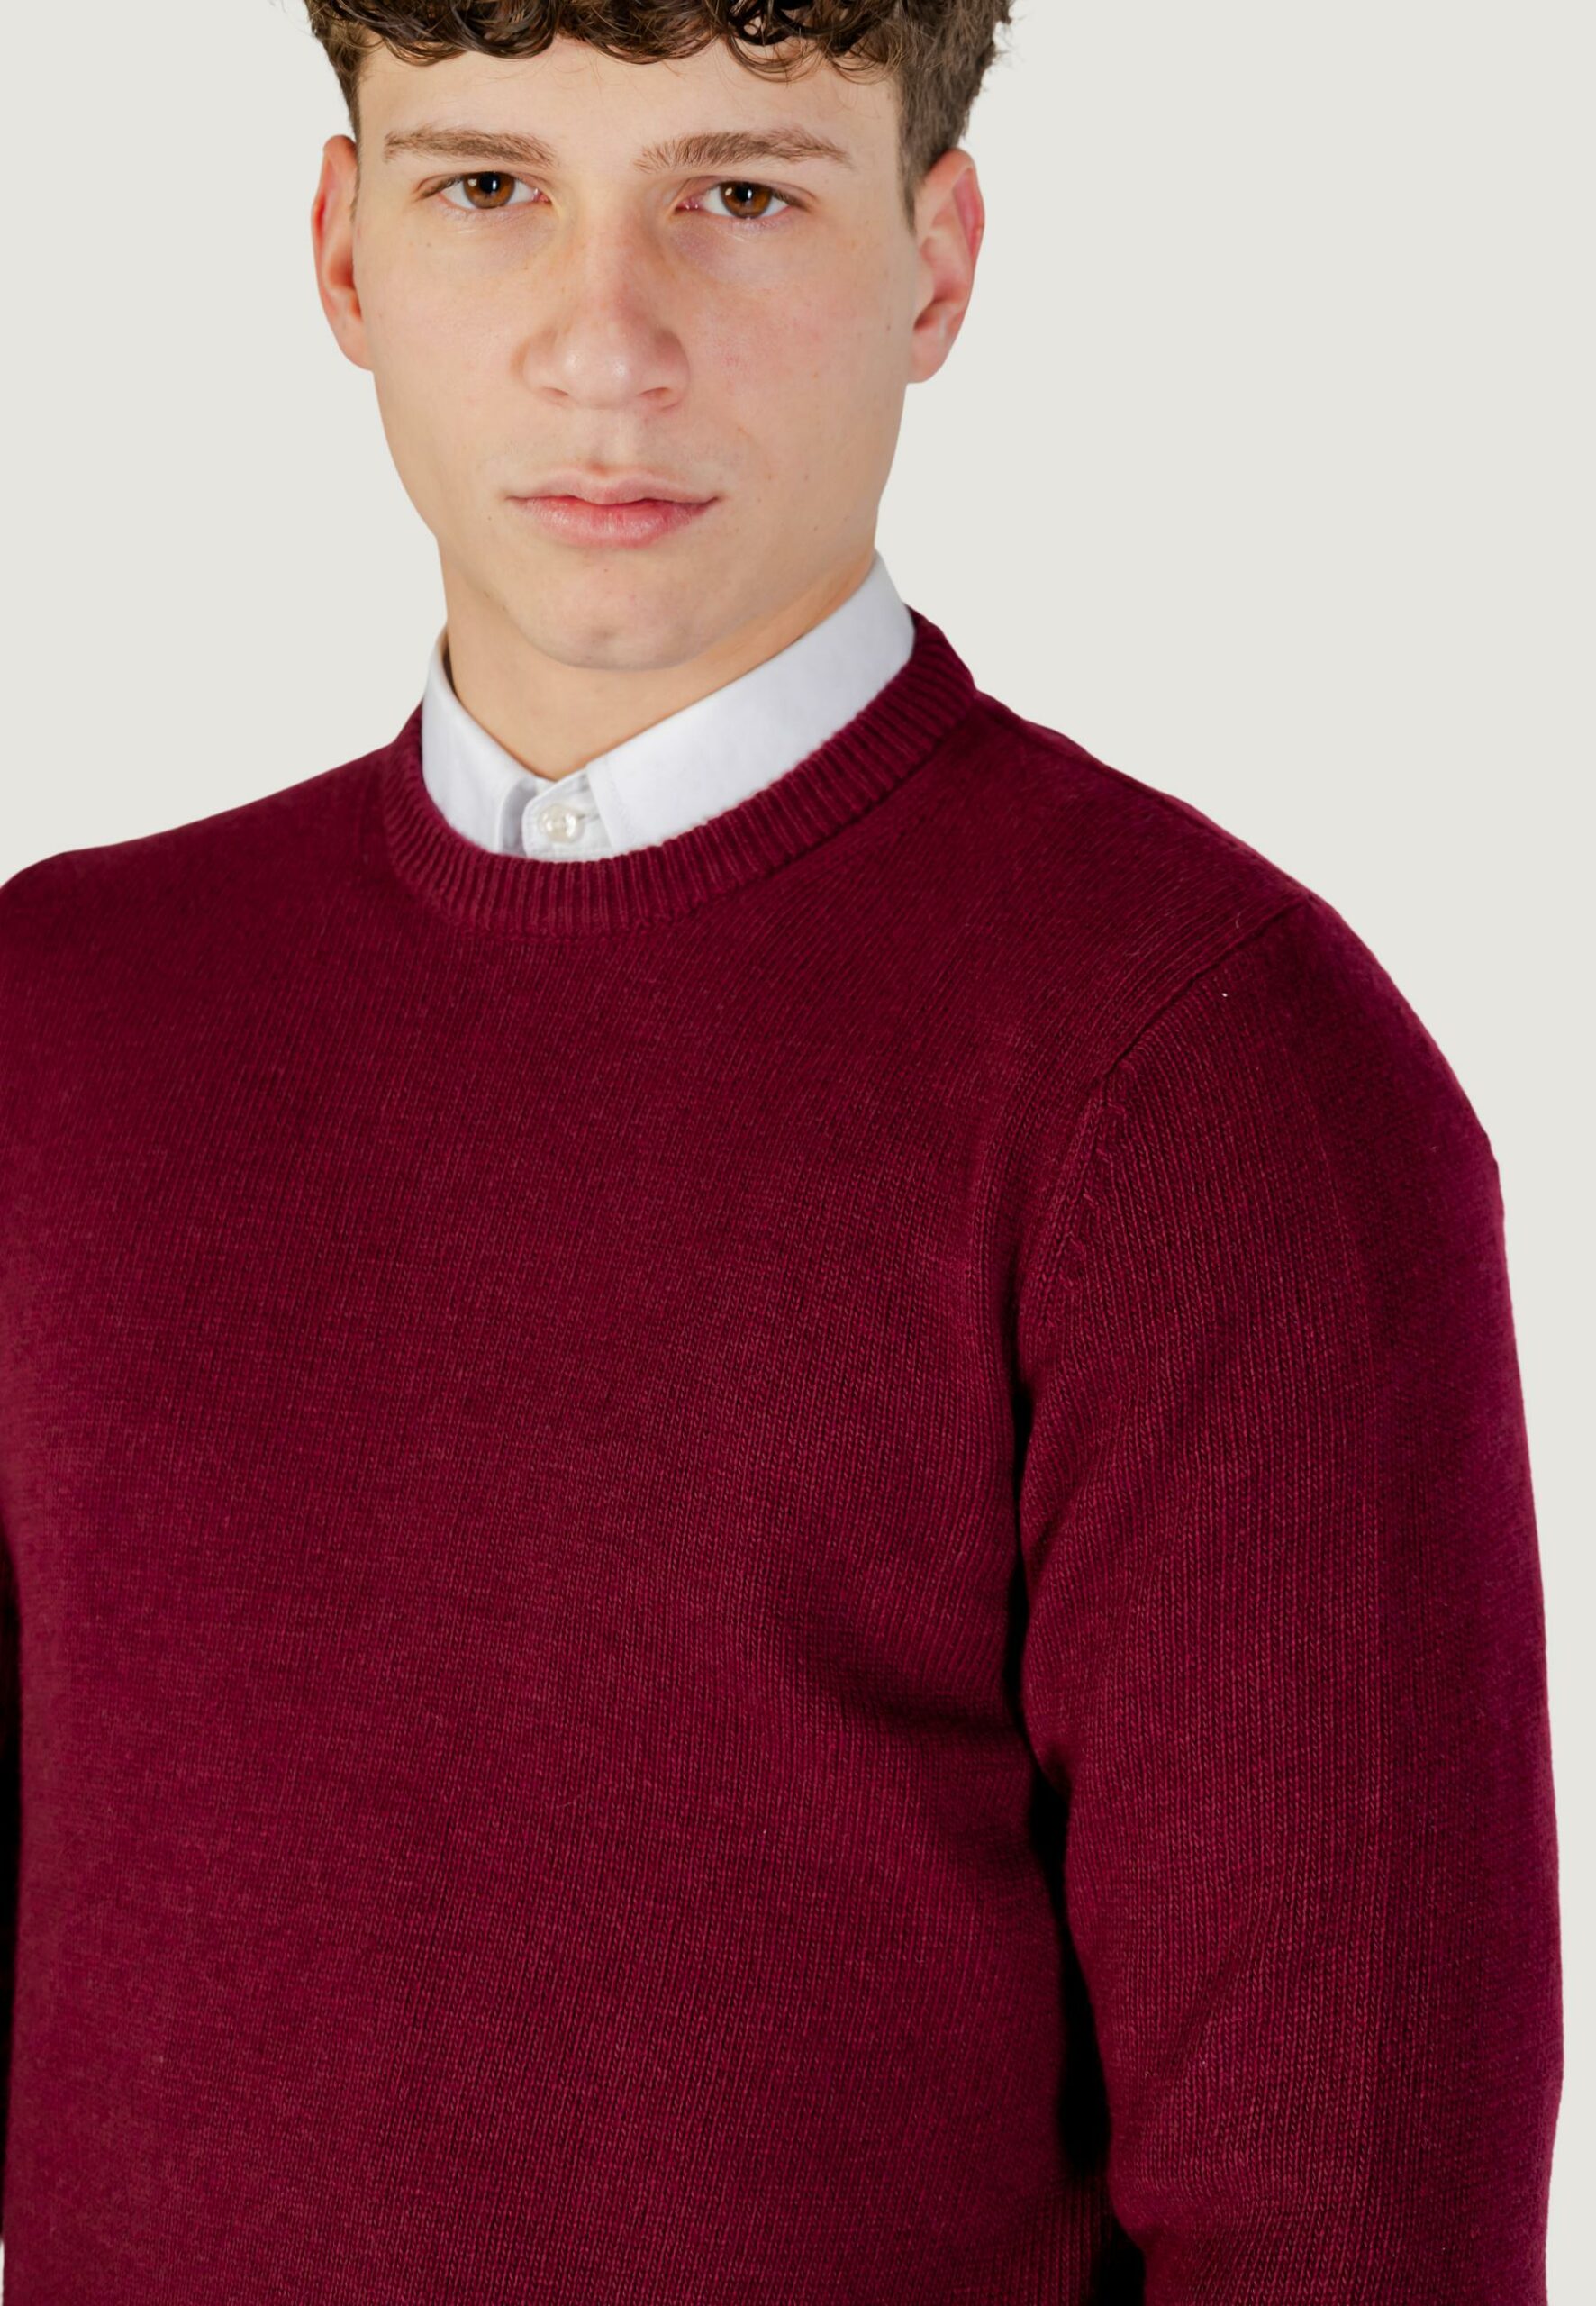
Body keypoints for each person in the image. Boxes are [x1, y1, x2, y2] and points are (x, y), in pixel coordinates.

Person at [0, 5, 1562, 2299]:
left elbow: (1347, 2229)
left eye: (738, 195)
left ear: (938, 261)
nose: (604, 347)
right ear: (340, 252)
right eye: (488, 187)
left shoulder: (1217, 1083)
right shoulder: (59, 1017)